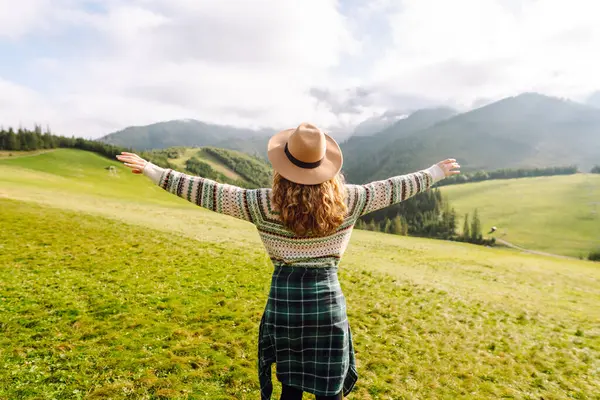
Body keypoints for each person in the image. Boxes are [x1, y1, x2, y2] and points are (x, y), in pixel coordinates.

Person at [116, 122, 459, 400]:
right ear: (326, 167)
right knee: (331, 389)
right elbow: (395, 187)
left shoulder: (262, 203)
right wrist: (435, 172)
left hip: (285, 303)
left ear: (283, 166)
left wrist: (153, 170)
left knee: (290, 388)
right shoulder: (351, 200)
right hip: (327, 303)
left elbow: (206, 190)